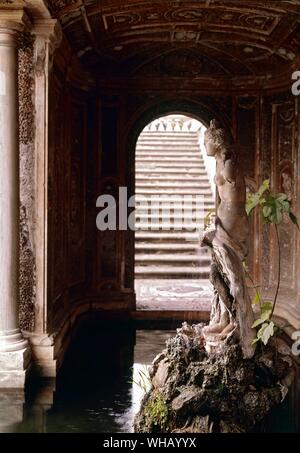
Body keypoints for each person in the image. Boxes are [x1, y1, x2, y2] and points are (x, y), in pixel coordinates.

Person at [201, 119, 255, 359]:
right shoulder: (221, 161)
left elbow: (237, 184)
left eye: (206, 142)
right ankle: (223, 317)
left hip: (233, 225)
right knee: (217, 273)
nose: (204, 146)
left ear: (216, 141)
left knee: (233, 277)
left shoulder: (229, 160)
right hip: (224, 223)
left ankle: (239, 325)